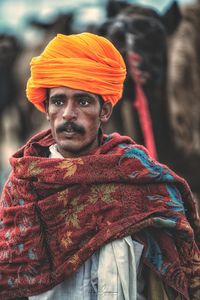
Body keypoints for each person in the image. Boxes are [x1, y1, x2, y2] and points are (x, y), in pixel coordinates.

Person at [0, 32, 199, 300]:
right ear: (46, 109)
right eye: (58, 101)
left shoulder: (141, 179)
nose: (68, 114)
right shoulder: (23, 187)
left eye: (83, 101)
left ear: (104, 110)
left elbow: (180, 273)